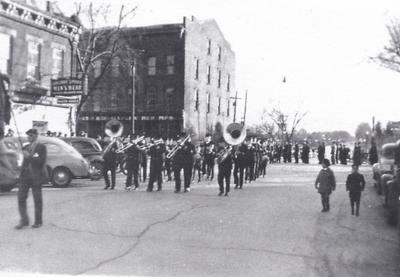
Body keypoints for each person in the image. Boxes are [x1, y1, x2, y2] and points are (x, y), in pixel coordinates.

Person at [16, 128, 47, 229]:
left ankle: (38, 221)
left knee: (37, 199)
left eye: (32, 136)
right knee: (21, 197)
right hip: (25, 176)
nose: (30, 137)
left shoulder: (41, 147)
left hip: (36, 176)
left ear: (36, 136)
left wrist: (29, 156)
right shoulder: (25, 147)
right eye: (28, 136)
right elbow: (22, 162)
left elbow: (41, 161)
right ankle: (24, 220)